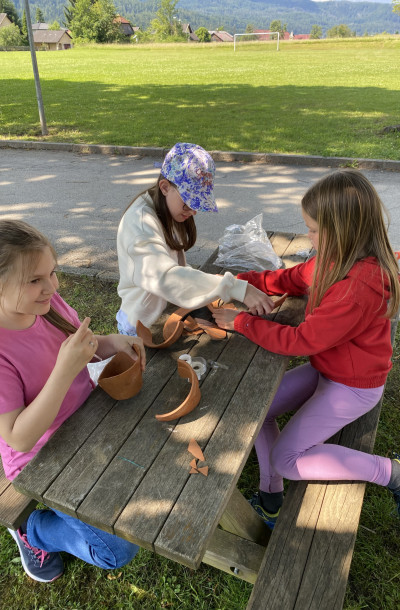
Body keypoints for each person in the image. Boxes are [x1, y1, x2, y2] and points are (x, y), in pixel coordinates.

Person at [212, 169, 400, 532]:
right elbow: (292, 278)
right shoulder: (332, 258)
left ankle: (393, 473)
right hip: (327, 369)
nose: (308, 235)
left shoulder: (358, 287)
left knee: (288, 459)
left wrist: (239, 322)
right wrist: (243, 283)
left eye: (313, 229)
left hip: (353, 387)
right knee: (257, 411)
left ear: (342, 229)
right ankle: (271, 499)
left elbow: (301, 340)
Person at [0, 219, 146, 582]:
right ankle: (33, 531)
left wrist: (109, 342)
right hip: (44, 457)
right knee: (117, 550)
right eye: (35, 280)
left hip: (88, 418)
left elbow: (75, 343)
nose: (52, 287)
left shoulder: (45, 304)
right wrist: (65, 370)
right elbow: (18, 437)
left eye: (52, 273)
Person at [116, 142, 276, 335]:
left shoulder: (164, 208)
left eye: (197, 204)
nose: (193, 211)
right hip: (142, 325)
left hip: (163, 314)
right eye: (188, 203)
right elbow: (165, 277)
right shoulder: (141, 225)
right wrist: (238, 288)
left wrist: (211, 284)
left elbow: (174, 268)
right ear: (165, 187)